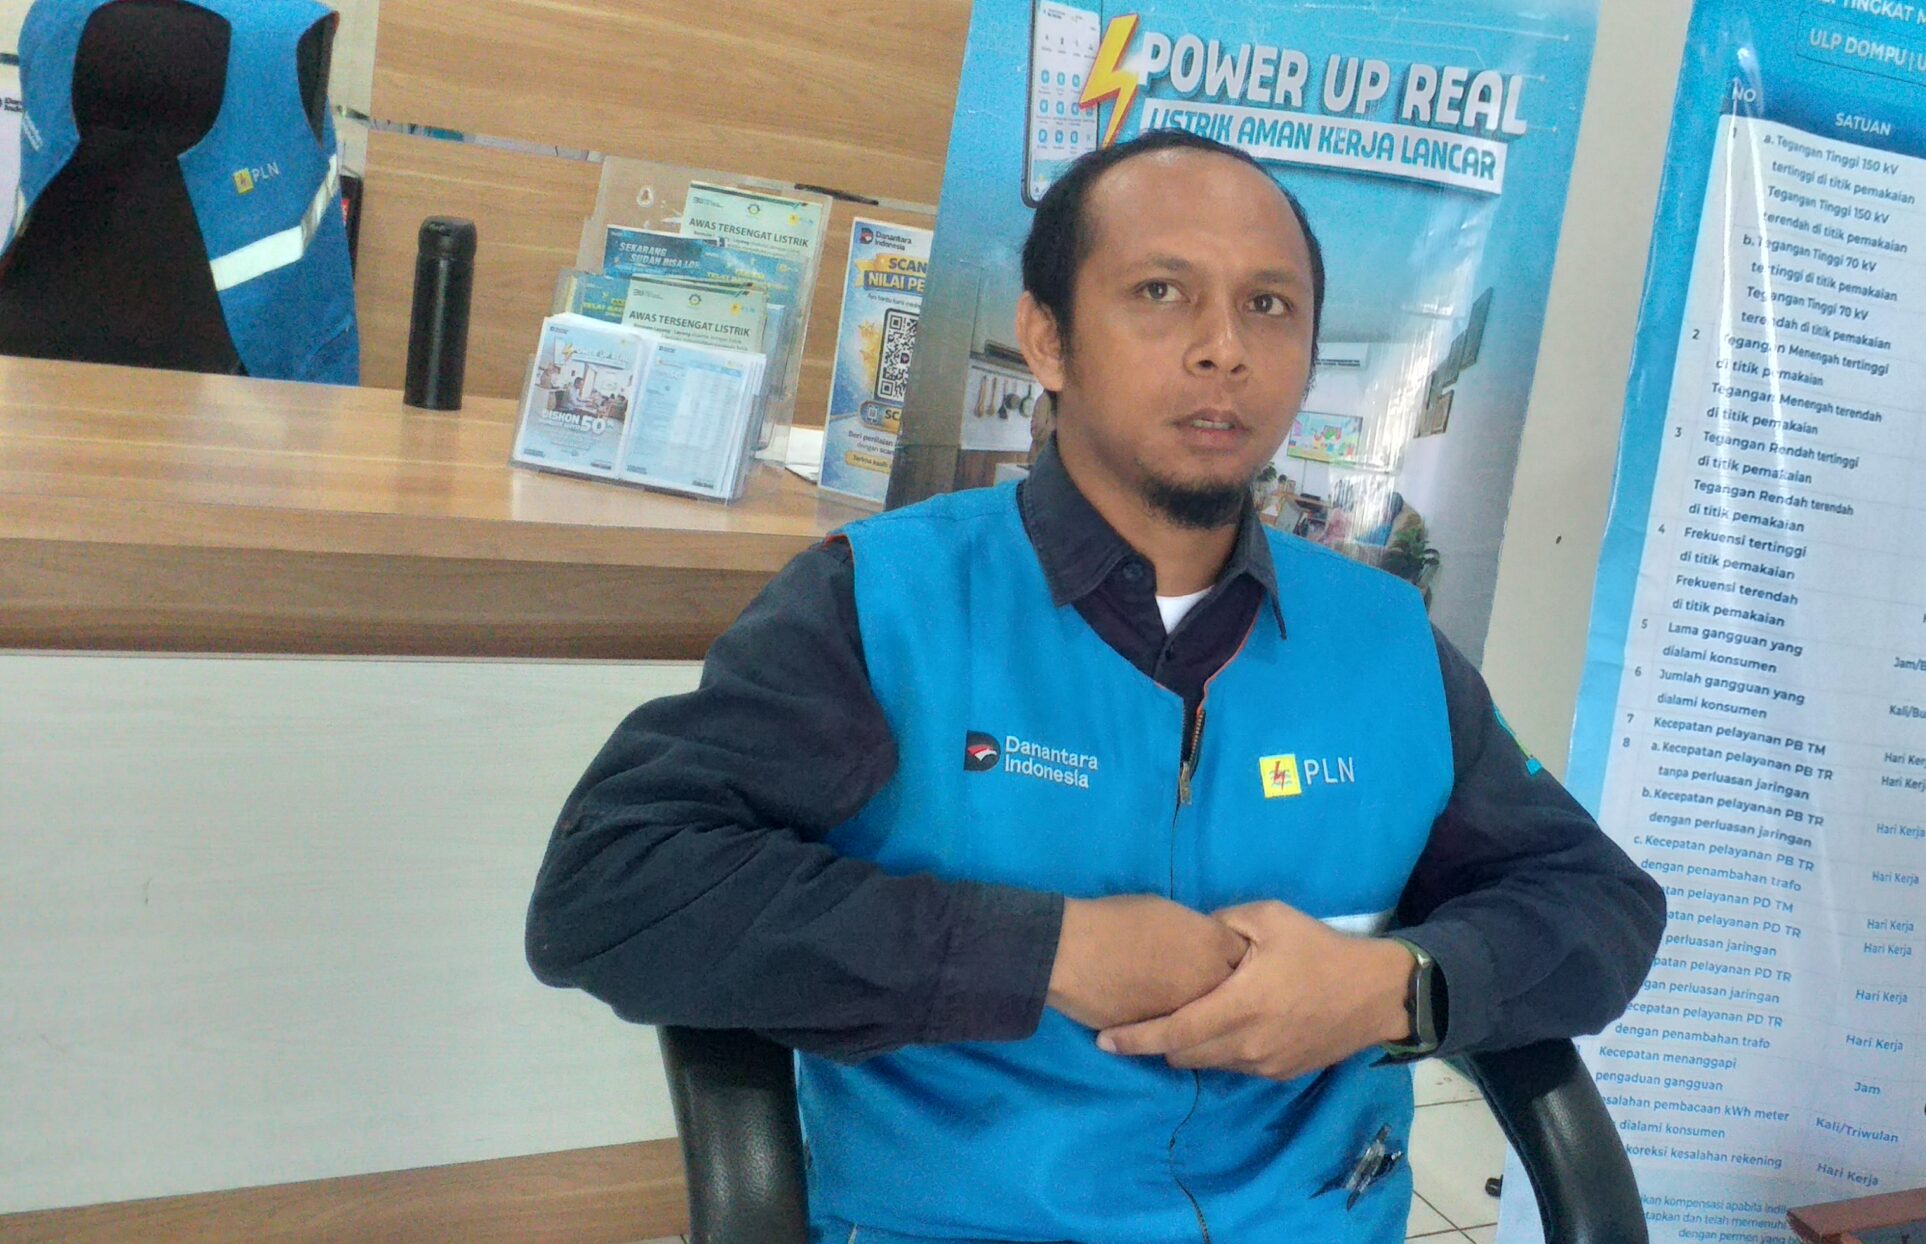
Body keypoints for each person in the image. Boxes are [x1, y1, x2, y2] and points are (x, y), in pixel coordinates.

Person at [523, 128, 1664, 1244]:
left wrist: (1393, 991)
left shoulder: (1384, 641)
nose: (1223, 348)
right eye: (1162, 292)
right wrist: (1046, 951)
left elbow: (1596, 903)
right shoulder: (885, 602)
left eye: (1269, 305)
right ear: (1048, 339)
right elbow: (612, 883)